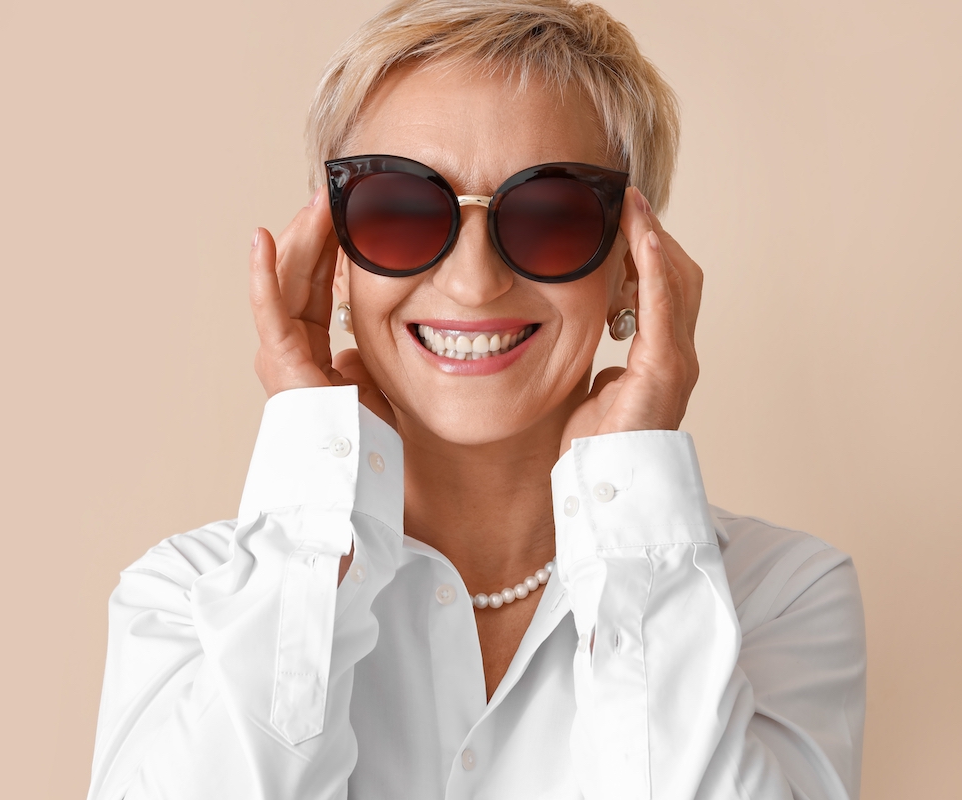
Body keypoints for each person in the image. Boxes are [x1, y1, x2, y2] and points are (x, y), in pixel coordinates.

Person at [86, 1, 866, 798]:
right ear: (339, 262)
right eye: (398, 209)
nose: (473, 279)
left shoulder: (777, 598)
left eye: (551, 215)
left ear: (632, 267)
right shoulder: (186, 599)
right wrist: (316, 506)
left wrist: (633, 511)